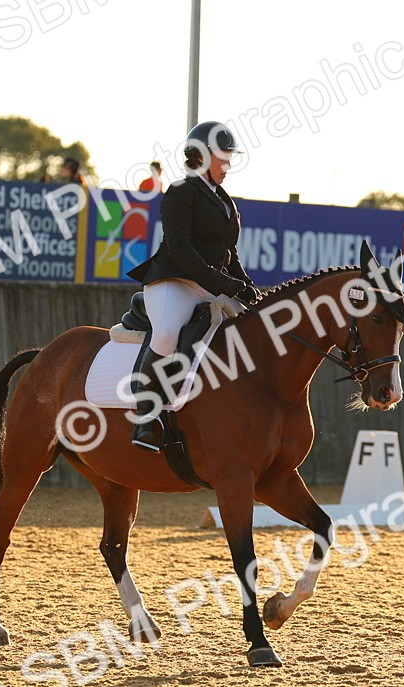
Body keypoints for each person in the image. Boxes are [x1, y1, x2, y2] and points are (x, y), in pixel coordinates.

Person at [124, 121, 260, 451]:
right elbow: (182, 249)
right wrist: (225, 283)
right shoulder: (180, 193)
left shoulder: (225, 199)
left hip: (211, 282)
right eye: (222, 158)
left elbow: (229, 253)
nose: (227, 165)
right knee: (168, 332)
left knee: (258, 329)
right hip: (175, 280)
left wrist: (247, 287)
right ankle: (146, 415)